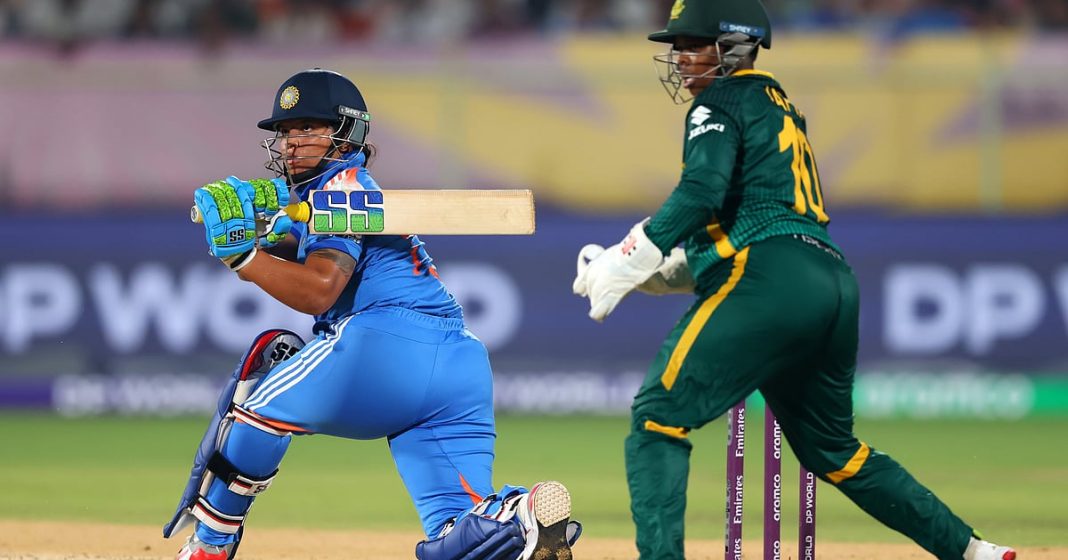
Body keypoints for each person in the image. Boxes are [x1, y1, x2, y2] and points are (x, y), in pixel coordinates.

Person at [570, 2, 1017, 560]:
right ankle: (976, 552)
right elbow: (757, 219)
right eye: (678, 45)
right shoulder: (779, 106)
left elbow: (702, 192)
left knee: (658, 416)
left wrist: (632, 254)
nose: (680, 59)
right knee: (834, 450)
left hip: (769, 278)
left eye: (692, 44)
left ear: (732, 46)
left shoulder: (722, 99)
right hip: (830, 280)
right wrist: (661, 273)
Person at [165, 68, 578, 560]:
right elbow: (310, 238)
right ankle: (518, 517)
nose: (292, 142)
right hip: (459, 365)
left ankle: (209, 547)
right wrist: (269, 223)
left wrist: (245, 258)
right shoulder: (336, 194)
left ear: (346, 132)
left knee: (255, 404)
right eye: (286, 131)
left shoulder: (343, 188)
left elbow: (321, 289)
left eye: (308, 128)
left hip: (385, 343)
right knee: (453, 533)